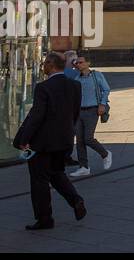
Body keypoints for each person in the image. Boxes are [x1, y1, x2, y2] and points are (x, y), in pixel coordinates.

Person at [12, 52, 86, 231]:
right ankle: (76, 200)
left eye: (45, 63)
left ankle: (45, 218)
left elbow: (37, 116)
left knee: (39, 180)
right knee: (56, 173)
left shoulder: (43, 87)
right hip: (64, 140)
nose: (43, 66)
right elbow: (75, 114)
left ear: (52, 65)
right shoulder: (75, 86)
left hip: (43, 143)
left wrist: (24, 139)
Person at [65, 57, 112, 177]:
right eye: (77, 63)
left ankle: (105, 154)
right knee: (80, 140)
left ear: (88, 63)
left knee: (88, 138)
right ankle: (84, 167)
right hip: (79, 111)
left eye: (81, 62)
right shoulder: (77, 78)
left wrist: (102, 103)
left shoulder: (96, 75)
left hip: (93, 110)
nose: (79, 65)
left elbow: (106, 89)